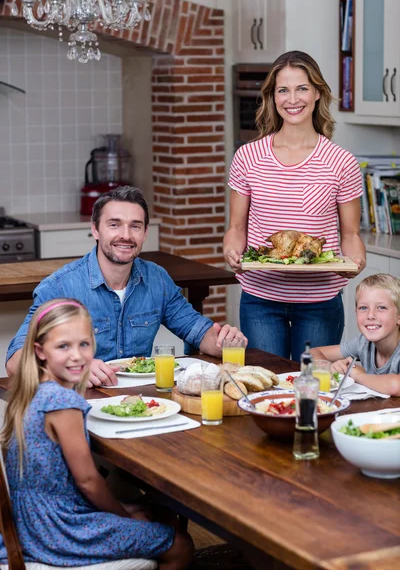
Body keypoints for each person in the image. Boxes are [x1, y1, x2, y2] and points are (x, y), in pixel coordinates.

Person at [0, 298, 194, 568]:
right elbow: (88, 481)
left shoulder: (30, 391)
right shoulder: (61, 401)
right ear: (40, 351)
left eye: (84, 344)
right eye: (63, 346)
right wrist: (123, 516)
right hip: (60, 530)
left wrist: (124, 511)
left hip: (32, 521)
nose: (77, 355)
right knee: (180, 545)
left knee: (150, 510)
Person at [6, 186, 247, 387]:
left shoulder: (157, 279)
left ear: (144, 234)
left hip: (143, 403)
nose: (126, 235)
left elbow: (196, 330)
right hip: (79, 404)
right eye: (114, 224)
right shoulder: (60, 287)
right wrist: (74, 371)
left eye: (135, 226)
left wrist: (225, 341)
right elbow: (16, 362)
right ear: (95, 230)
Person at [223, 50, 366, 362]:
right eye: (283, 90)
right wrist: (232, 250)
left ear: (317, 93)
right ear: (273, 97)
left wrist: (355, 258)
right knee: (267, 386)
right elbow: (236, 227)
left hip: (320, 300)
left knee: (313, 388)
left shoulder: (341, 161)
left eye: (302, 88)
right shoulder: (248, 157)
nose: (293, 99)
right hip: (260, 297)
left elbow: (351, 233)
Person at [310, 274, 400, 397]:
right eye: (363, 308)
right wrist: (332, 368)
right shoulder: (362, 342)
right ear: (355, 311)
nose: (370, 315)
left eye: (381, 307)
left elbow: (396, 386)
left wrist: (358, 375)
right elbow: (312, 353)